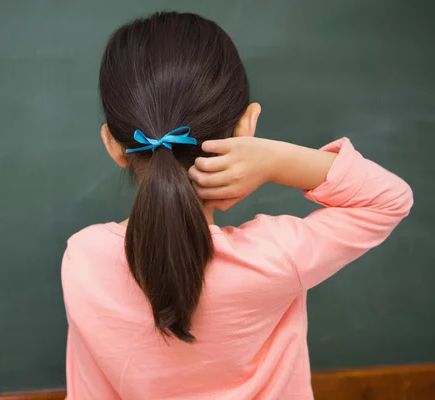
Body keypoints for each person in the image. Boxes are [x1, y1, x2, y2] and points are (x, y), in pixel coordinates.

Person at [61, 11, 413, 400]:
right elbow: (389, 199)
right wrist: (277, 160)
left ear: (113, 145)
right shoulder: (275, 257)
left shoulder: (83, 260)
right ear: (247, 127)